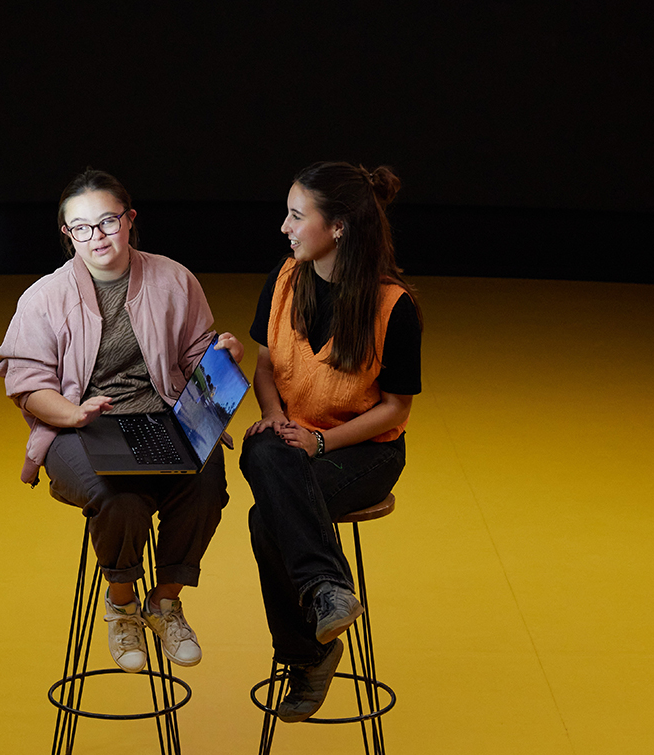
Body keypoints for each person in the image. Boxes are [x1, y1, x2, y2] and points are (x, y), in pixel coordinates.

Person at [0, 168, 243, 673]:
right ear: (67, 233)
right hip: (75, 428)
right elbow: (28, 385)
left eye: (107, 222)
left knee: (207, 480)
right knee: (116, 496)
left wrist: (219, 357)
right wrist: (74, 411)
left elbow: (194, 352)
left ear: (129, 220)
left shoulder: (173, 278)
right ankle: (122, 605)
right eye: (81, 227)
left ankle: (164, 601)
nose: (97, 236)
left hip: (159, 416)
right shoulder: (44, 297)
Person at [240, 161, 422, 723]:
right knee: (259, 446)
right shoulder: (286, 278)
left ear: (337, 226)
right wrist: (273, 415)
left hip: (362, 451)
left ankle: (308, 654)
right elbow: (266, 363)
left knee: (266, 517)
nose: (284, 228)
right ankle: (327, 591)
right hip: (292, 438)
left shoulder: (394, 306)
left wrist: (321, 443)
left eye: (297, 216)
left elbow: (396, 407)